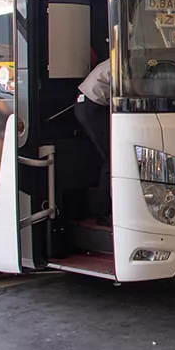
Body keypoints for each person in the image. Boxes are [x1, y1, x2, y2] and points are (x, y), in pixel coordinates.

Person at [75, 58, 113, 226]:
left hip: (91, 103)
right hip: (91, 104)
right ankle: (102, 212)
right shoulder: (126, 62)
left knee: (110, 158)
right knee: (111, 159)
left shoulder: (121, 57)